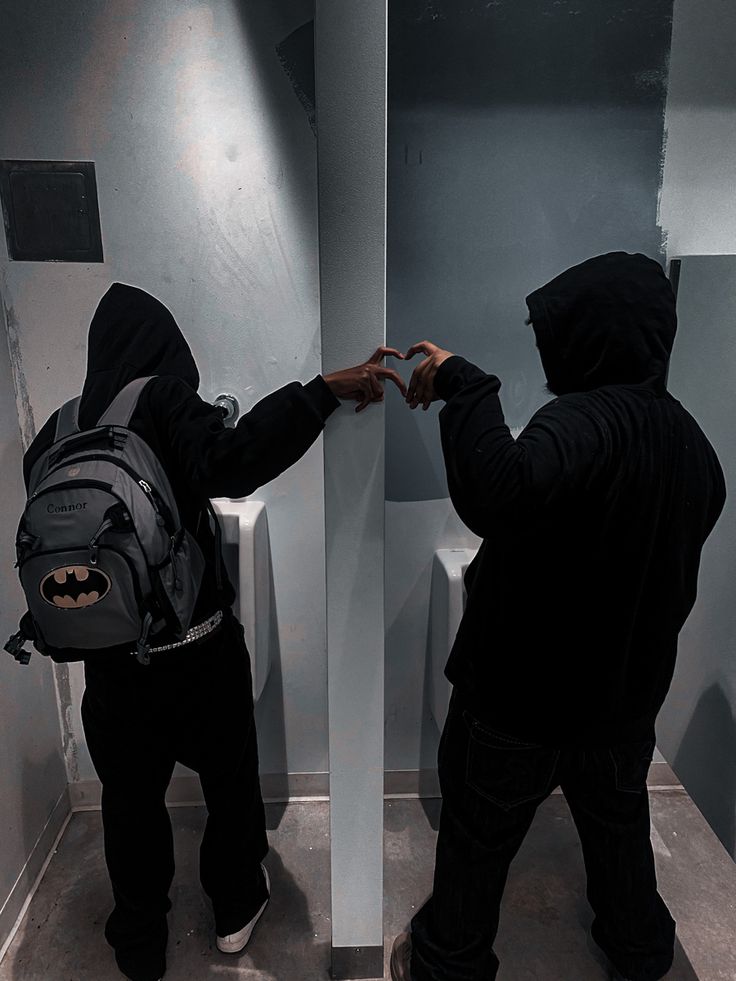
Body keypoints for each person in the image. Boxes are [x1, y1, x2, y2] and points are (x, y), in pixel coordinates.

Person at [21, 282, 406, 981]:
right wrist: (319, 391)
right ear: (165, 347)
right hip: (195, 655)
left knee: (130, 802)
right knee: (229, 783)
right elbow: (234, 462)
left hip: (110, 665)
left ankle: (139, 940)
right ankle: (233, 910)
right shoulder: (163, 398)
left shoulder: (55, 430)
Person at [390, 252, 726, 981]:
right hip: (622, 705)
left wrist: (463, 382)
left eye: (558, 336)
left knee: (477, 837)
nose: (549, 355)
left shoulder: (583, 419)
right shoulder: (694, 446)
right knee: (618, 832)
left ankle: (450, 959)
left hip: (522, 702)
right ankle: (639, 951)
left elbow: (498, 494)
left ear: (591, 337)